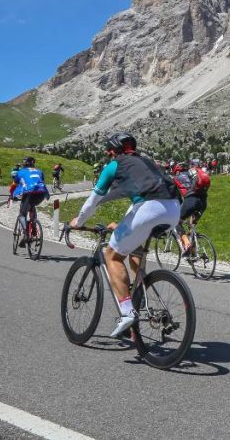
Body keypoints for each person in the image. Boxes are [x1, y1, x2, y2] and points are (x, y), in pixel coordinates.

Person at [71, 132, 181, 338]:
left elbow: (92, 201)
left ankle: (127, 312)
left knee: (112, 255)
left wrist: (79, 221)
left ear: (112, 151)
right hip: (174, 209)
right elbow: (140, 202)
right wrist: (121, 223)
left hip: (149, 209)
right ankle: (139, 307)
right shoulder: (148, 162)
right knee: (135, 254)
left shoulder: (114, 165)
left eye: (109, 153)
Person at [173, 158, 211, 256]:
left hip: (191, 201)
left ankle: (187, 244)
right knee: (191, 226)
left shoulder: (176, 178)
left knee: (177, 221)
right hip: (203, 202)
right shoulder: (196, 175)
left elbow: (178, 198)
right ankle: (194, 253)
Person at [13, 156, 49, 246]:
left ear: (24, 163)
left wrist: (14, 196)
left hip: (29, 193)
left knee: (22, 214)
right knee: (32, 206)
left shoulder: (21, 172)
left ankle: (26, 235)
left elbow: (17, 183)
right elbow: (42, 181)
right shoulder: (39, 171)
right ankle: (34, 230)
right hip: (41, 194)